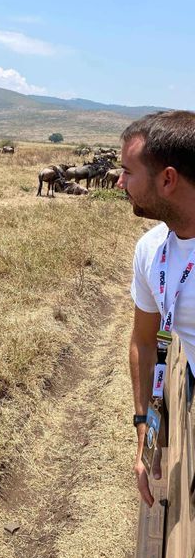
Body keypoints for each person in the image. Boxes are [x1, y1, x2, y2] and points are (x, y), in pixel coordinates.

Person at [118, 110, 195, 507]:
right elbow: (145, 341)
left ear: (167, 179)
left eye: (128, 171)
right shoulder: (151, 250)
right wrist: (144, 430)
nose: (118, 182)